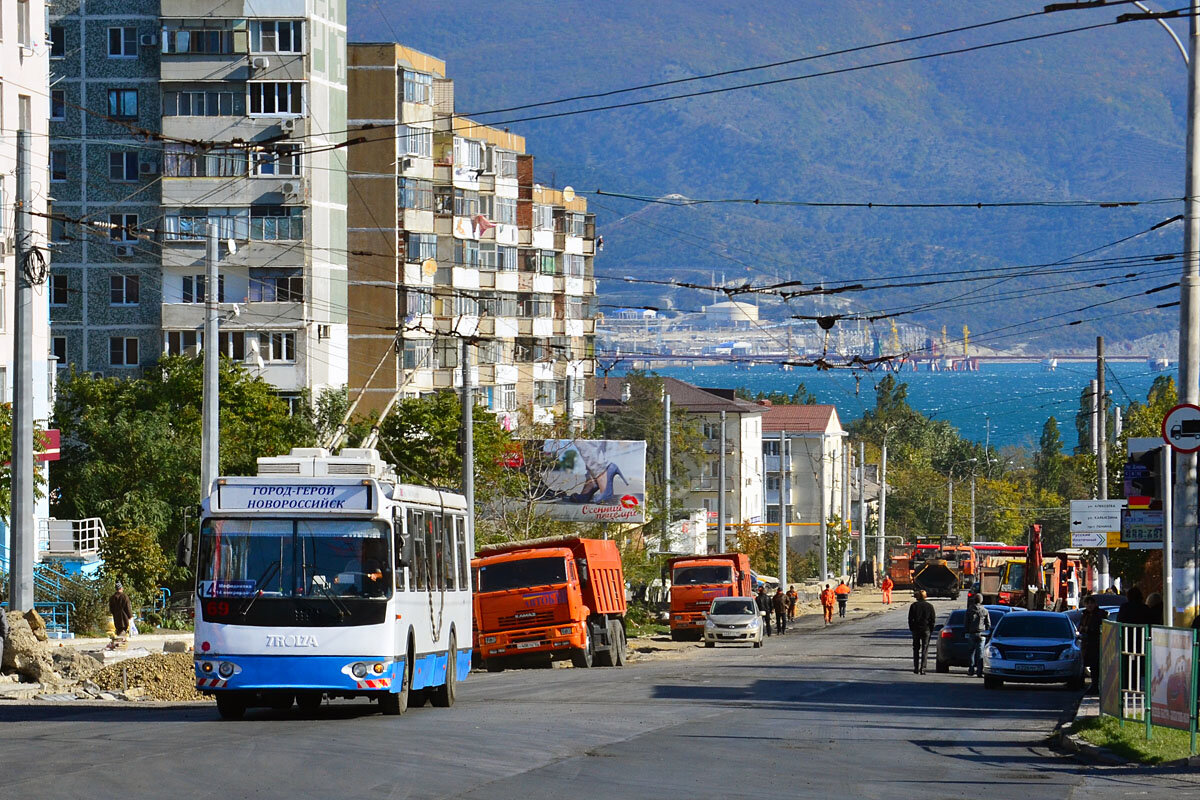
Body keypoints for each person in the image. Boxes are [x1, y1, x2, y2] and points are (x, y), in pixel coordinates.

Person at [1079, 594, 1109, 694]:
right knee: (1092, 666)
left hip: (1097, 643)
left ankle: (1096, 686)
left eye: (1092, 603)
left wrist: (1087, 629)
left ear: (1095, 604)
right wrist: (1084, 629)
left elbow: (1096, 628)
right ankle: (1094, 685)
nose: (1090, 605)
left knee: (1097, 666)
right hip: (1088, 644)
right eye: (1087, 603)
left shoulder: (1099, 614)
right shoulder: (1085, 614)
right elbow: (1081, 627)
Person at [908, 589, 936, 675]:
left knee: (916, 649)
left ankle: (916, 668)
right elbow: (933, 620)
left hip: (916, 629)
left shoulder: (914, 606)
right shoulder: (930, 606)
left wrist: (912, 628)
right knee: (925, 649)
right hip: (926, 629)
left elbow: (910, 619)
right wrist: (931, 629)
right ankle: (923, 668)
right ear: (925, 596)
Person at [964, 593, 990, 678]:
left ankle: (971, 670)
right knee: (980, 654)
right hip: (982, 634)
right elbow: (988, 623)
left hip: (972, 633)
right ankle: (979, 671)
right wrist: (986, 630)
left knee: (971, 652)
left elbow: (966, 623)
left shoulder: (969, 610)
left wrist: (967, 631)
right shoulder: (985, 610)